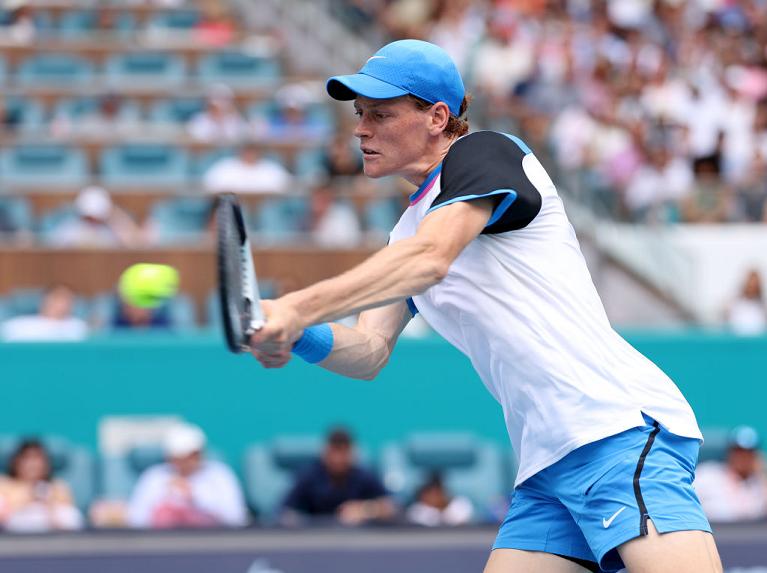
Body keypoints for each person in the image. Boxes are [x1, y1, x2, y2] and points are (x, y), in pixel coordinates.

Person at [249, 40, 722, 573]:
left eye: (380, 114)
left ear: (437, 117)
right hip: (545, 465)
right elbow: (369, 351)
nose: (361, 129)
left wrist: (298, 306)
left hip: (616, 429)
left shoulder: (486, 154)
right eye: (359, 114)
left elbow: (432, 260)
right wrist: (296, 334)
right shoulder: (406, 235)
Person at [126, 423, 247, 529]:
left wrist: (195, 497)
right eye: (176, 458)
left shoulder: (220, 475)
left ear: (199, 454)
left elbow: (237, 518)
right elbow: (136, 519)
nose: (181, 463)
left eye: (188, 457)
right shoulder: (154, 477)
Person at [281, 427, 395, 526]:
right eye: (334, 452)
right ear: (325, 452)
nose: (338, 459)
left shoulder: (363, 477)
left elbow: (390, 507)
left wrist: (365, 510)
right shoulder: (309, 476)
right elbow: (285, 511)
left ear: (352, 453)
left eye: (343, 453)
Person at [0, 439, 83, 532]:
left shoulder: (58, 486)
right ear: (16, 462)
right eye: (27, 458)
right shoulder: (4, 484)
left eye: (37, 458)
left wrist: (48, 503)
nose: (32, 464)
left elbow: (71, 518)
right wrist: (29, 495)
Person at [694, 426, 767, 523]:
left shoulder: (758, 485)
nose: (743, 457)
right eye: (739, 452)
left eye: (748, 453)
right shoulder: (708, 474)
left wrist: (762, 474)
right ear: (730, 452)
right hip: (710, 533)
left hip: (744, 536)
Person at [49, 186, 142, 248]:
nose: (92, 221)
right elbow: (53, 247)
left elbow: (135, 243)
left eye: (96, 218)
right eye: (88, 217)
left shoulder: (112, 231)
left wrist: (115, 216)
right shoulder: (69, 230)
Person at [0, 284, 89, 342]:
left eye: (68, 299)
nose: (63, 304)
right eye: (58, 298)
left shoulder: (79, 327)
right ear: (44, 299)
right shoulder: (18, 325)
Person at [202, 141, 292, 195]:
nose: (250, 155)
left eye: (253, 151)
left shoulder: (271, 168)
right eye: (247, 151)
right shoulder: (226, 165)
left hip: (266, 207)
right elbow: (210, 185)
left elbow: (287, 186)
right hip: (233, 206)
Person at [406, 472, 473, 527]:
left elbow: (463, 526)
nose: (433, 496)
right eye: (428, 492)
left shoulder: (460, 504)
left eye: (436, 492)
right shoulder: (417, 511)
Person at [724, 268, 767, 336]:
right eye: (750, 283)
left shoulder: (763, 307)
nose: (752, 286)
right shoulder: (735, 304)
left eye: (755, 284)